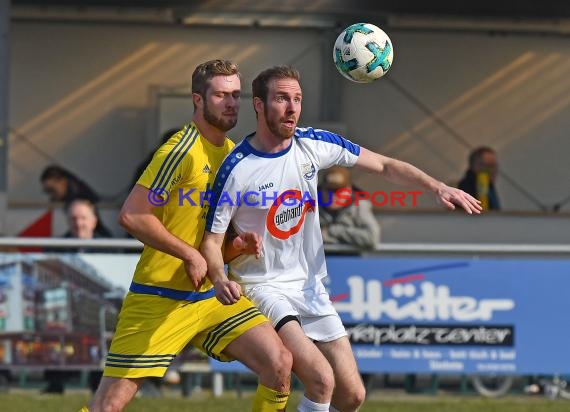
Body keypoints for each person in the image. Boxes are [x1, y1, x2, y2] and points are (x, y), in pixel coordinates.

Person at [201, 65, 482, 412]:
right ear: (259, 105)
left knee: (352, 396)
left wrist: (436, 186)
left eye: (297, 99)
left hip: (310, 286)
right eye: (281, 99)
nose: (291, 108)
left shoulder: (313, 144)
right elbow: (211, 242)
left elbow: (384, 165)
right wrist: (218, 279)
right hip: (264, 286)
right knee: (320, 379)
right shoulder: (237, 167)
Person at [83, 60, 292, 412]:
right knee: (108, 406)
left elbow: (210, 237)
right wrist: (189, 254)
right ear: (198, 99)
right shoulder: (179, 152)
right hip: (159, 296)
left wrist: (234, 247)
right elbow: (133, 216)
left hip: (211, 296)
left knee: (280, 363)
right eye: (220, 95)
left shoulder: (232, 155)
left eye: (236, 96)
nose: (230, 103)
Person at [319, 165, 380, 250]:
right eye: (329, 190)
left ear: (349, 190)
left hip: (350, 261)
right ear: (321, 189)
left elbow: (372, 237)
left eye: (338, 191)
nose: (333, 196)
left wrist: (333, 231)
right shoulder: (310, 206)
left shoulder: (359, 206)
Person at [40, 165, 113, 237]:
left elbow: (95, 229)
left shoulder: (79, 198)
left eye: (52, 190)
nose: (50, 195)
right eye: (46, 191)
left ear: (63, 182)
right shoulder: (74, 192)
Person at [457, 146, 501, 210]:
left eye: (494, 166)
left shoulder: (489, 185)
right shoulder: (465, 188)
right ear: (474, 165)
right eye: (488, 166)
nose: (492, 171)